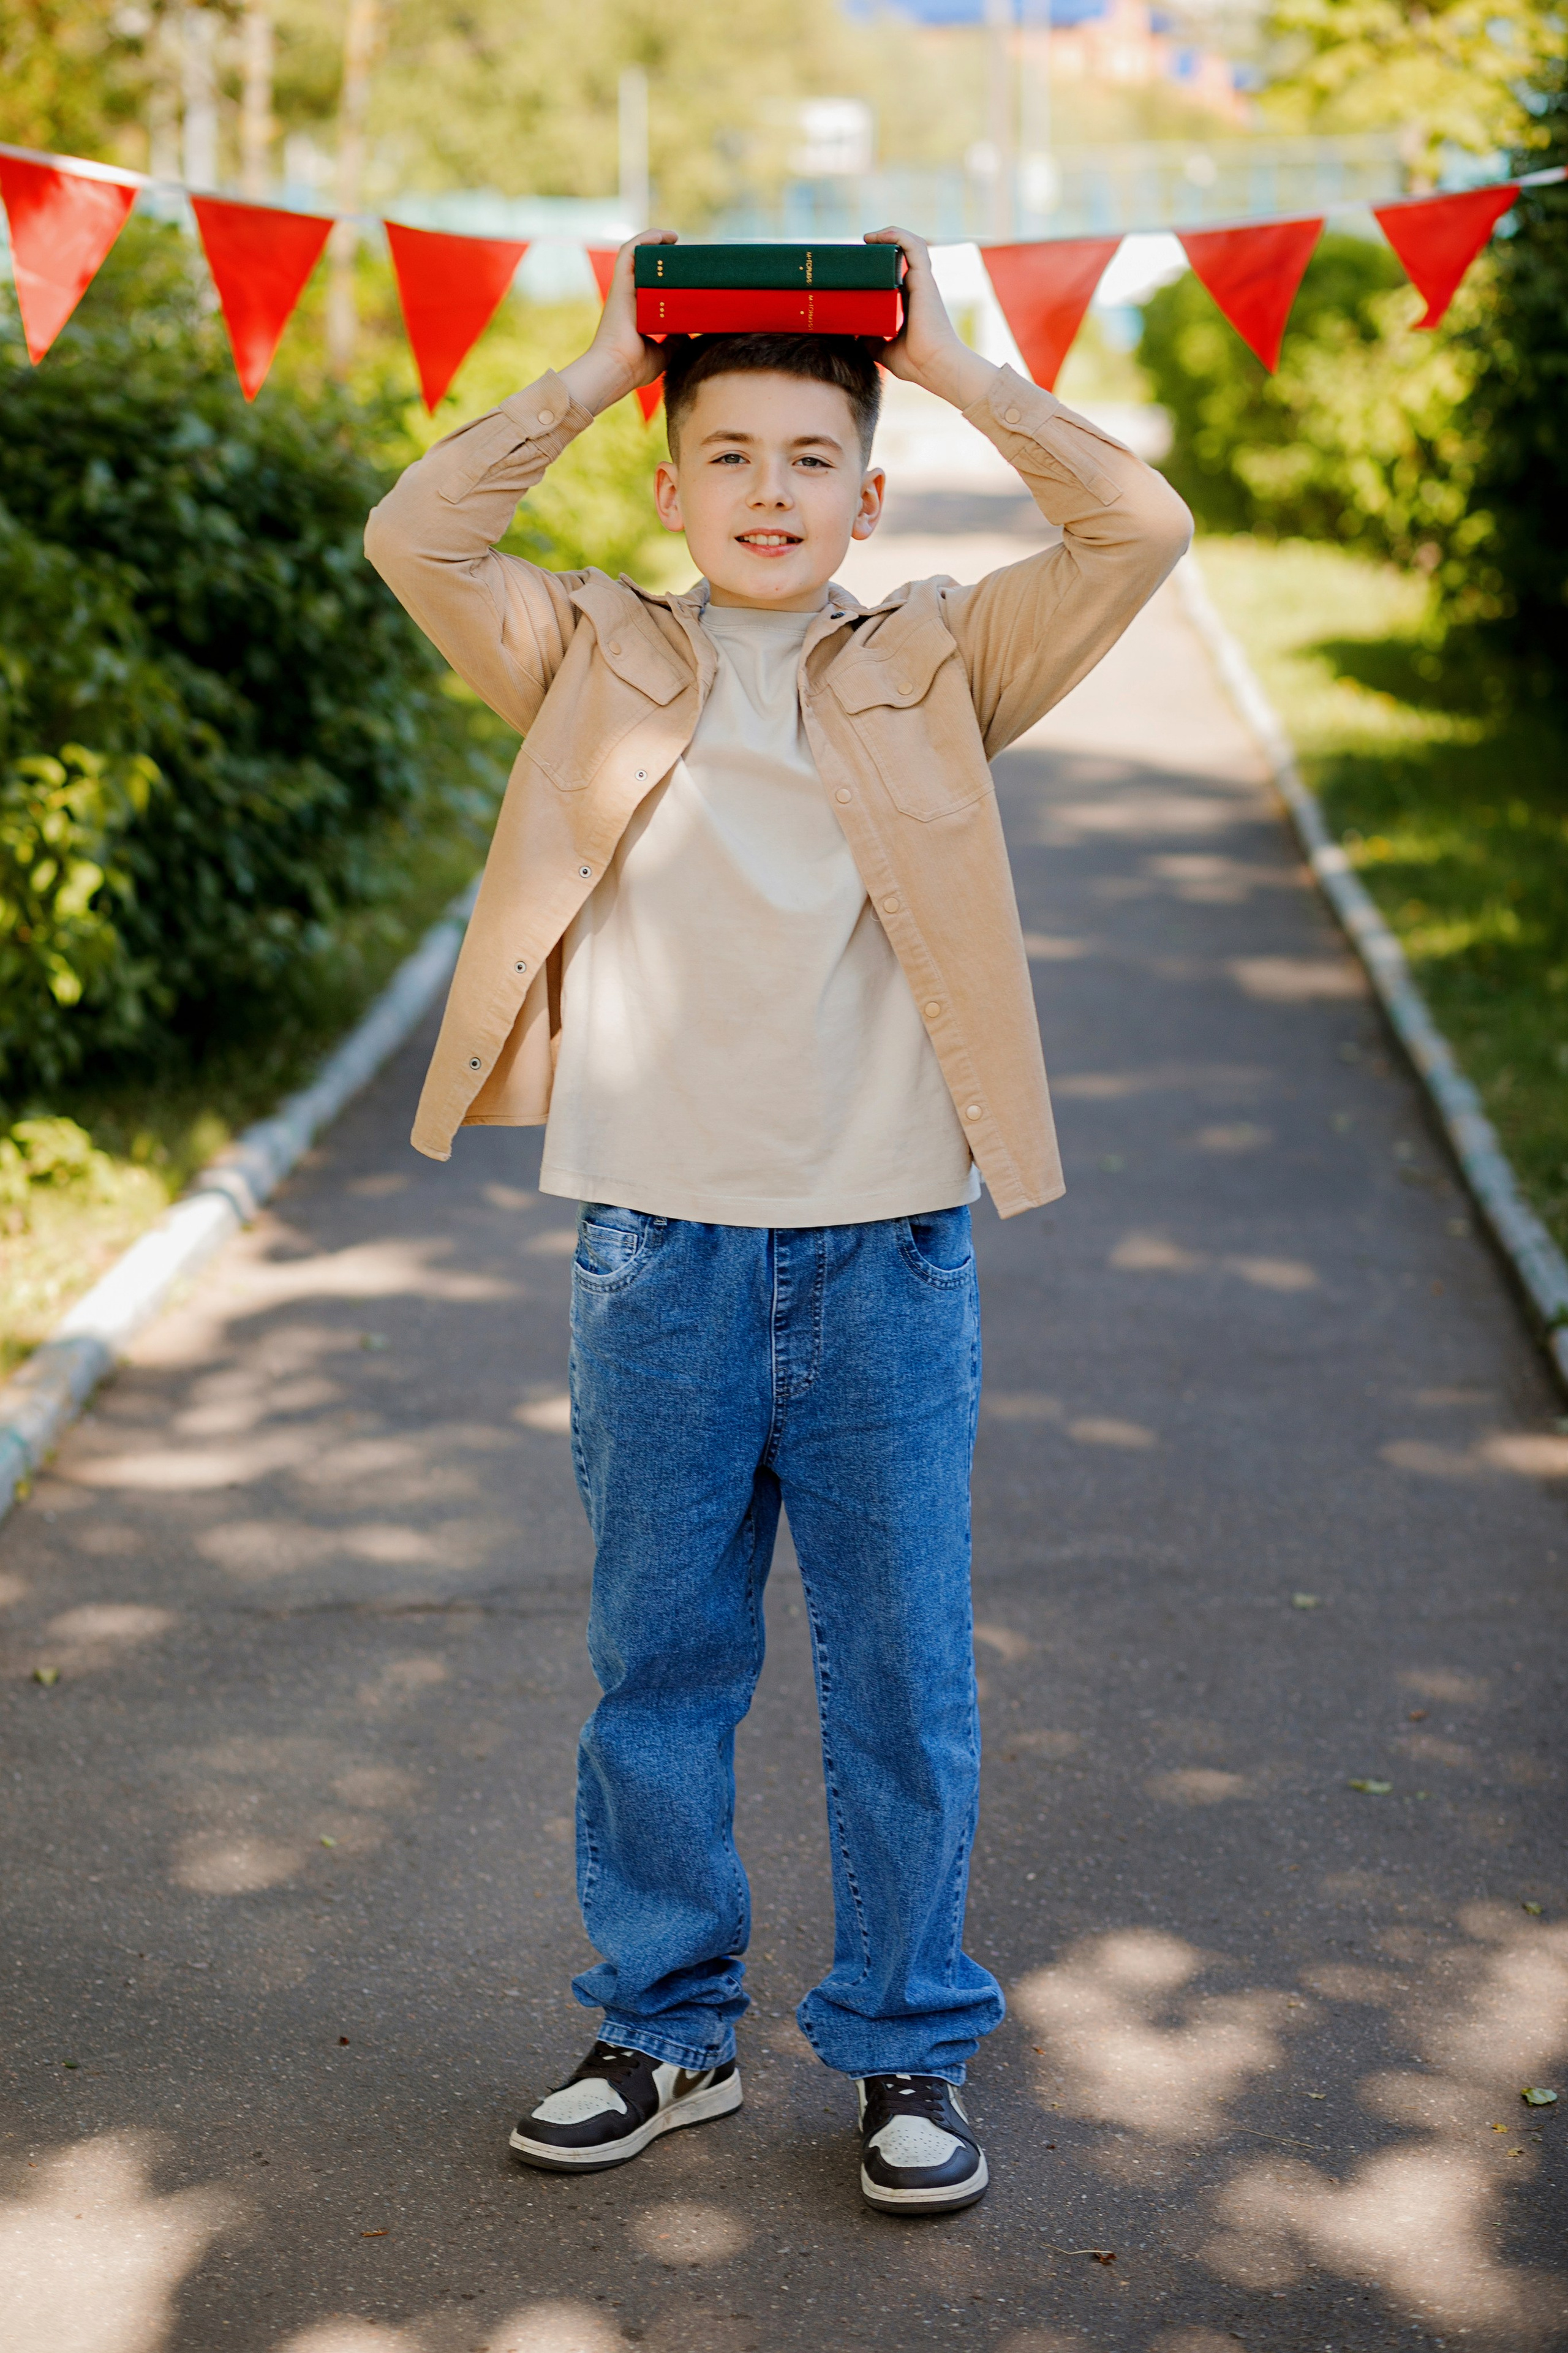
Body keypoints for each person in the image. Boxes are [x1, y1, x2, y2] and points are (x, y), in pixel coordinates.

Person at [364, 226, 1191, 2216]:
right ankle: (667, 2028)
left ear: (867, 497)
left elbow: (1142, 528)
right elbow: (417, 534)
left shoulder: (939, 661)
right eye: (726, 456)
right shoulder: (588, 651)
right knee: (659, 1664)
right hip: (659, 1250)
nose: (768, 492)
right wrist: (594, 367)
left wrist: (955, 366)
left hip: (887, 1249)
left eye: (812, 459)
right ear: (669, 488)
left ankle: (909, 2045)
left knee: (902, 1678)